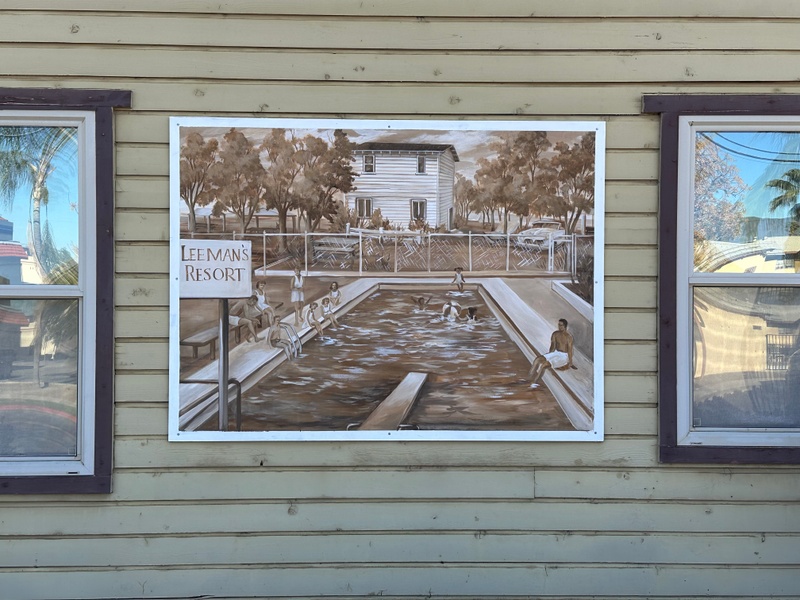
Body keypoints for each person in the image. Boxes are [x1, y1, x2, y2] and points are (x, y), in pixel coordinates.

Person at [528, 318, 576, 387]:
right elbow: (552, 347)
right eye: (559, 325)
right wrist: (548, 356)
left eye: (561, 325)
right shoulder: (555, 334)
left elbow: (570, 350)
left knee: (544, 365)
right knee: (537, 359)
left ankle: (535, 382)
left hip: (564, 356)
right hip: (556, 352)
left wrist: (570, 362)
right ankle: (529, 376)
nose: (559, 326)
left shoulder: (569, 337)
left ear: (565, 326)